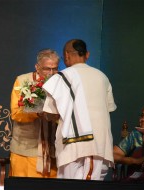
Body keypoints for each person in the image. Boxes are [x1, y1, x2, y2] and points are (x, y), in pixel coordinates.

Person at [42, 39, 117, 180]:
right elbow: (109, 108)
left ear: (66, 55)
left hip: (72, 146)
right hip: (99, 145)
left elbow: (50, 114)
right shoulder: (102, 77)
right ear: (87, 55)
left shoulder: (61, 77)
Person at [9, 48, 60, 177]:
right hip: (25, 151)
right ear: (37, 67)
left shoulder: (61, 84)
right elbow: (16, 113)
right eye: (47, 69)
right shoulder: (22, 81)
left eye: (55, 69)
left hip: (53, 150)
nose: (51, 73)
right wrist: (36, 112)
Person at [113, 105, 144, 186]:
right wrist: (134, 161)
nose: (143, 118)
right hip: (134, 183)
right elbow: (112, 154)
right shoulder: (136, 135)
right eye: (142, 115)